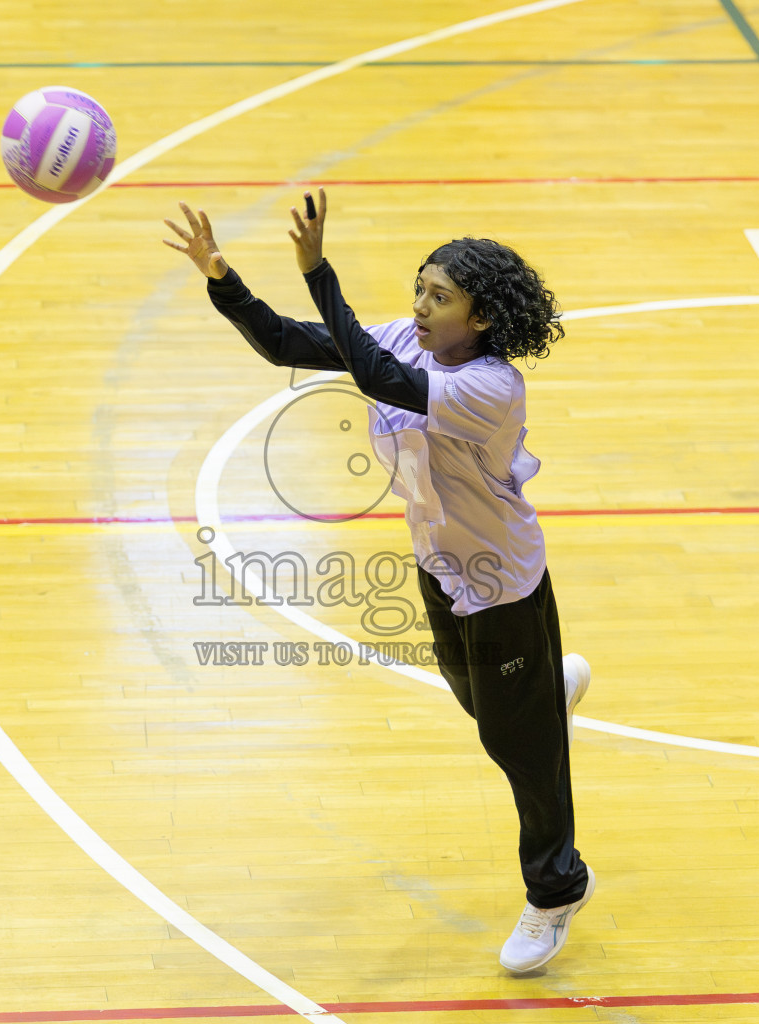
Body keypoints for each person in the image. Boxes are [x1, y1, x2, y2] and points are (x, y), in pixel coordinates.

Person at [162, 190, 593, 973]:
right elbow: (287, 344)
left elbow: (378, 378)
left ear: (484, 317)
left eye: (440, 297)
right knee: (481, 705)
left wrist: (319, 270)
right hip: (438, 565)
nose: (420, 307)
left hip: (503, 585)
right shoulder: (405, 339)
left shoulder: (491, 387)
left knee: (518, 751)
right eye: (419, 288)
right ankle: (541, 698)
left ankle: (556, 890)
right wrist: (223, 277)